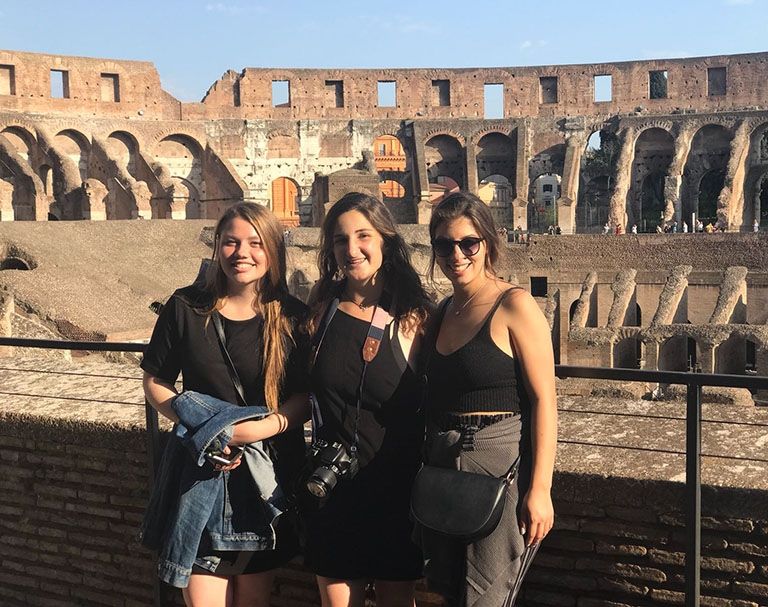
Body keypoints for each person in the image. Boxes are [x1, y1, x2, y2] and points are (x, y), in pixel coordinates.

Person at [141, 202, 310, 607]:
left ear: (272, 250)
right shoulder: (185, 307)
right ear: (217, 247)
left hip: (266, 482)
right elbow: (155, 382)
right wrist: (204, 431)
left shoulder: (292, 318)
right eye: (231, 242)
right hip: (200, 476)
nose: (242, 253)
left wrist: (257, 430)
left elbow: (305, 397)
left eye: (255, 243)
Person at [418, 192, 557, 607]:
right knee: (447, 592)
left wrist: (541, 489)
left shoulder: (514, 304)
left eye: (468, 243)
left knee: (488, 596)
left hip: (499, 469)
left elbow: (545, 401)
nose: (455, 254)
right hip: (445, 466)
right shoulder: (442, 310)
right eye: (443, 245)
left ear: (488, 244)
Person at [304, 192, 432, 607]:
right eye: (341, 240)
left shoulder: (415, 315)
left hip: (396, 491)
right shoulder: (321, 307)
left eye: (363, 236)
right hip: (332, 488)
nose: (352, 249)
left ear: (386, 241)